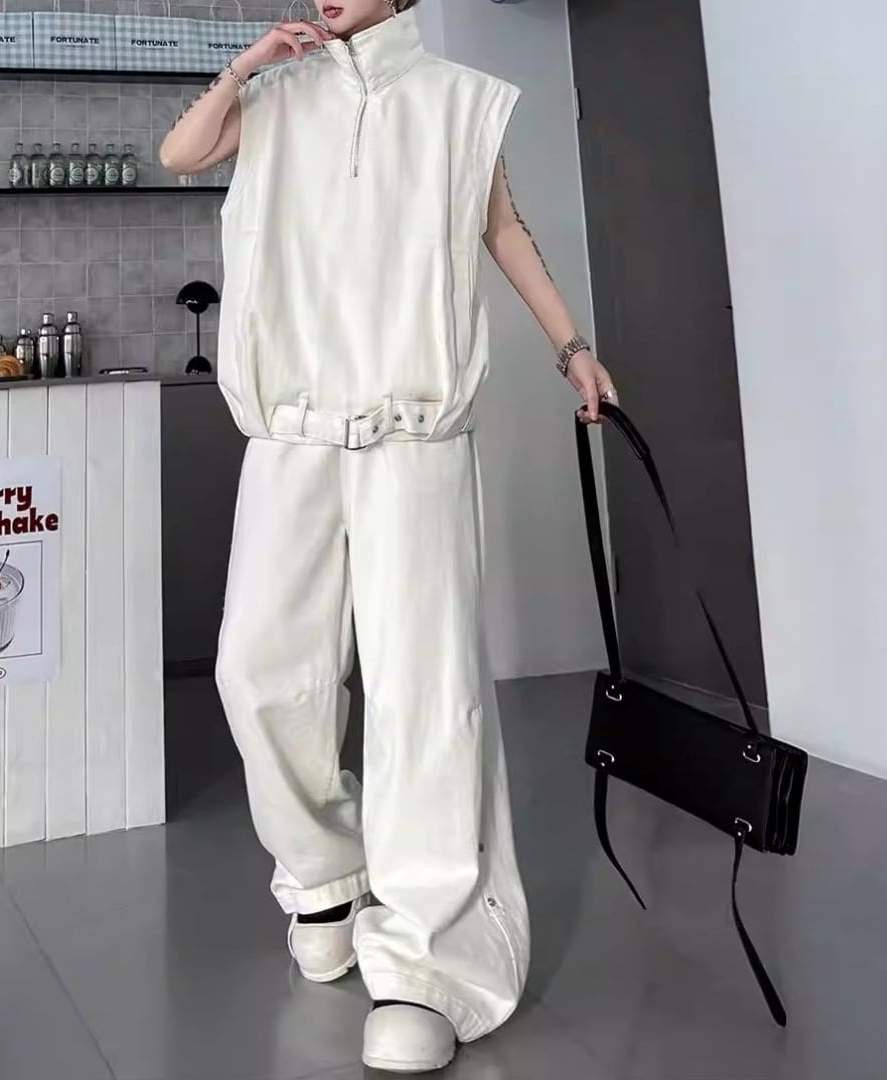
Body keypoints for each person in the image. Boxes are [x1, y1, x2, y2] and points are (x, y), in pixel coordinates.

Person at [160, 1, 617, 1072]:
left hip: (414, 436)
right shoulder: (276, 97)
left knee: (423, 693)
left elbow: (502, 229)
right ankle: (325, 877)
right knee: (258, 672)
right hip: (291, 432)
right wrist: (250, 61)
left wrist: (573, 348)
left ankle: (429, 961)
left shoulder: (461, 102)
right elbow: (180, 153)